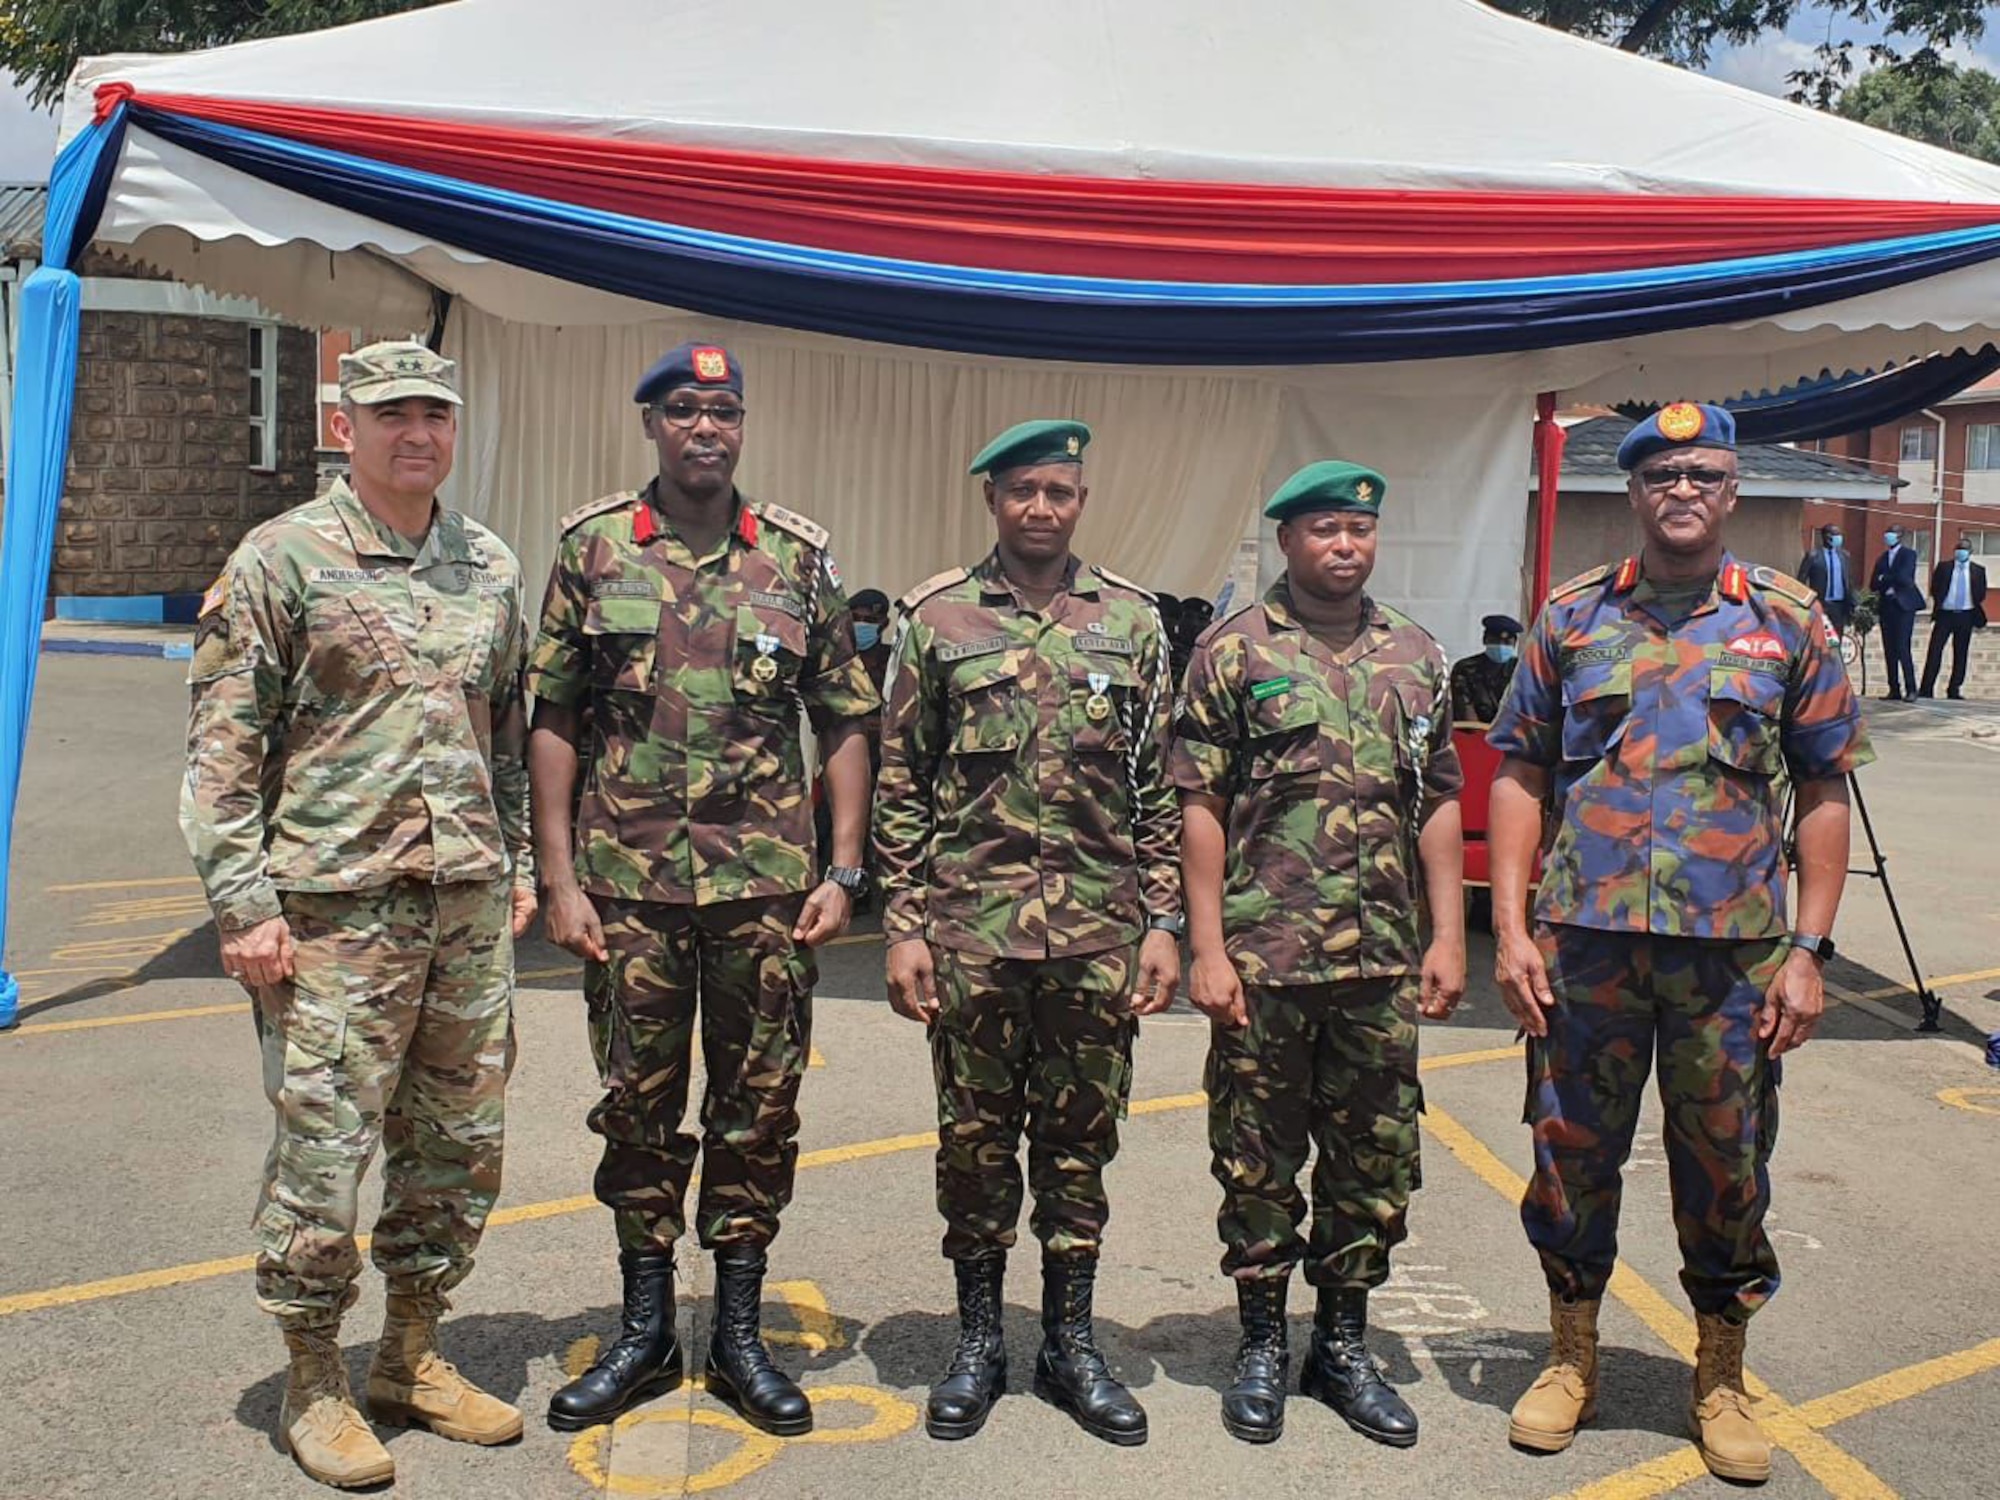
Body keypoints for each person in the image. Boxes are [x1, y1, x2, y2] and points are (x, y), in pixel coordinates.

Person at [1486, 402, 1872, 1484]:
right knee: (1569, 1157)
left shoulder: (1788, 623)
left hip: (1731, 959)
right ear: (1634, 490)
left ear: (1732, 489)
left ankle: (1718, 1371)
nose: (1682, 491)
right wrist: (1508, 927)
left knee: (1726, 1169)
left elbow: (1821, 788)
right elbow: (1518, 771)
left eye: (1703, 473)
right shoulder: (1568, 620)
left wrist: (1808, 950)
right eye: (1661, 475)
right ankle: (1570, 1358)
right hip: (1585, 952)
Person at [180, 341, 537, 1489]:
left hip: (466, 911)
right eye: (391, 415)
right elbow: (222, 753)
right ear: (348, 427)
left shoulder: (486, 564)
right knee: (324, 1155)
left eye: (434, 412)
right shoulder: (280, 560)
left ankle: (412, 1354)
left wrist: (518, 860)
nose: (415, 433)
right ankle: (314, 1379)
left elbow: (506, 731)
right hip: (334, 915)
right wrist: (242, 906)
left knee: (457, 1146)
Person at [527, 341, 879, 1438]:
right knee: (635, 1105)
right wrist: (555, 875)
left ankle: (735, 1332)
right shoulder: (591, 551)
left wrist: (846, 867)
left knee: (756, 1108)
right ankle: (644, 1332)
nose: (705, 429)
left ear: (741, 427)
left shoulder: (794, 560)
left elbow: (845, 715)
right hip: (626, 887)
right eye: (684, 410)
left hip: (764, 890)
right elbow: (552, 715)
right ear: (651, 426)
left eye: (723, 411)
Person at [873, 419, 1181, 1447]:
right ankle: (976, 1342)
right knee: (973, 1143)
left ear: (1080, 500)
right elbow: (901, 780)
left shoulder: (1133, 625)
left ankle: (1069, 1343)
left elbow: (1155, 791)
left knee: (1079, 1143)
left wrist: (1161, 923)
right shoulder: (936, 619)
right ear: (991, 501)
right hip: (970, 931)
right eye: (1022, 492)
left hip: (1094, 933)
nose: (1040, 508)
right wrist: (903, 924)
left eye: (1058, 490)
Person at [1172, 461, 1466, 1449]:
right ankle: (1260, 1343)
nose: (1343, 546)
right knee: (1255, 1162)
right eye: (1324, 530)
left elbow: (1435, 798)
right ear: (1287, 541)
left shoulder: (1418, 656)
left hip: (1378, 963)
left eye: (1357, 529)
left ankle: (1341, 1342)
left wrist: (1445, 935)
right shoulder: (1231, 653)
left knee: (1370, 1165)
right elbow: (1198, 806)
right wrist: (1203, 948)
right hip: (1265, 959)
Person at [1918, 539, 1988, 699]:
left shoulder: (1978, 570)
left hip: (1966, 615)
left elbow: (1981, 593)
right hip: (1945, 615)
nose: (1960, 552)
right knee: (1935, 651)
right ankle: (1926, 689)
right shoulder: (1944, 568)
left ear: (1970, 552)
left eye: (1964, 550)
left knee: (1961, 653)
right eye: (1958, 549)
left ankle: (1954, 688)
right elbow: (1935, 588)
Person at [1871, 525, 1925, 699]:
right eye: (1887, 533)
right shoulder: (1882, 558)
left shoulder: (1908, 554)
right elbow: (1873, 583)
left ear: (1900, 536)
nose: (1888, 536)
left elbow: (1905, 578)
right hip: (1887, 607)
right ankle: (1894, 688)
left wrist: (1884, 577)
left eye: (1892, 533)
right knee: (1889, 650)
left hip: (1903, 607)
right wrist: (1885, 578)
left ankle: (1911, 689)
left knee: (1902, 647)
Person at [1448, 614, 1524, 723]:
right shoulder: (1465, 668)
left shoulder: (1521, 669)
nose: (1501, 646)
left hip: (1512, 735)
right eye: (1495, 640)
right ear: (1485, 639)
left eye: (1507, 642)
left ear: (1515, 644)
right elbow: (1466, 715)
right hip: (1475, 734)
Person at [1796, 524, 1856, 637]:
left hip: (1839, 606)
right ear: (1826, 536)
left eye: (1839, 534)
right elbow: (1801, 581)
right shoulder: (1813, 556)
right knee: (1819, 638)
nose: (1839, 537)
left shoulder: (1844, 556)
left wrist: (1853, 603)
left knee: (1836, 640)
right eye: (1835, 534)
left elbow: (1849, 581)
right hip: (1820, 605)